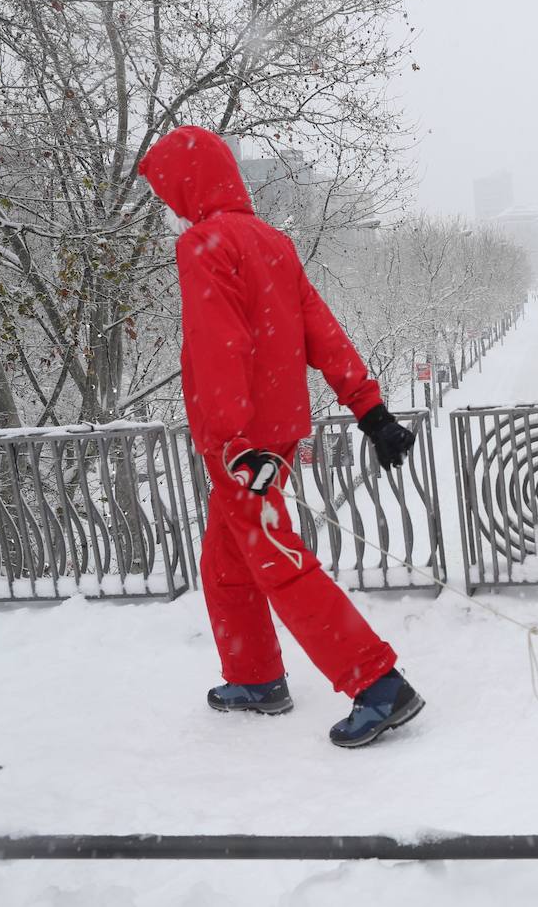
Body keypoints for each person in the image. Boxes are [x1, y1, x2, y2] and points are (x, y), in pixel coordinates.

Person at [137, 126, 423, 749]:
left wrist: (236, 446)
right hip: (272, 437)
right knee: (225, 566)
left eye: (168, 191)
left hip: (245, 449)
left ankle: (377, 683)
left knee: (279, 564)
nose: (168, 205)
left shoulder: (203, 244)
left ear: (188, 185)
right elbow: (322, 330)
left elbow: (220, 349)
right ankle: (255, 676)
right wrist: (370, 410)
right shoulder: (273, 242)